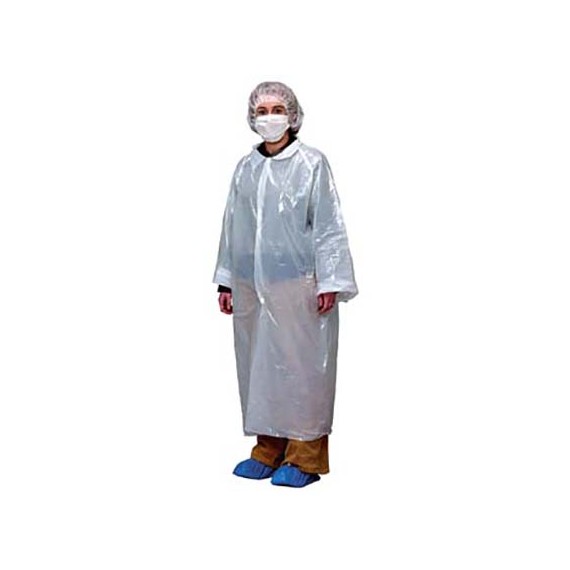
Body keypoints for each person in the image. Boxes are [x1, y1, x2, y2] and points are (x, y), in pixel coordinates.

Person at [213, 81, 358, 488]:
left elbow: (328, 225)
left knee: (301, 368)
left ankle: (305, 456)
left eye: (278, 109)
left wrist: (331, 279)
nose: (270, 117)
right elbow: (232, 226)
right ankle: (268, 448)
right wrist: (227, 280)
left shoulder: (311, 164)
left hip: (299, 284)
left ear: (292, 116)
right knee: (259, 367)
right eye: (262, 111)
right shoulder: (246, 168)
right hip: (252, 287)